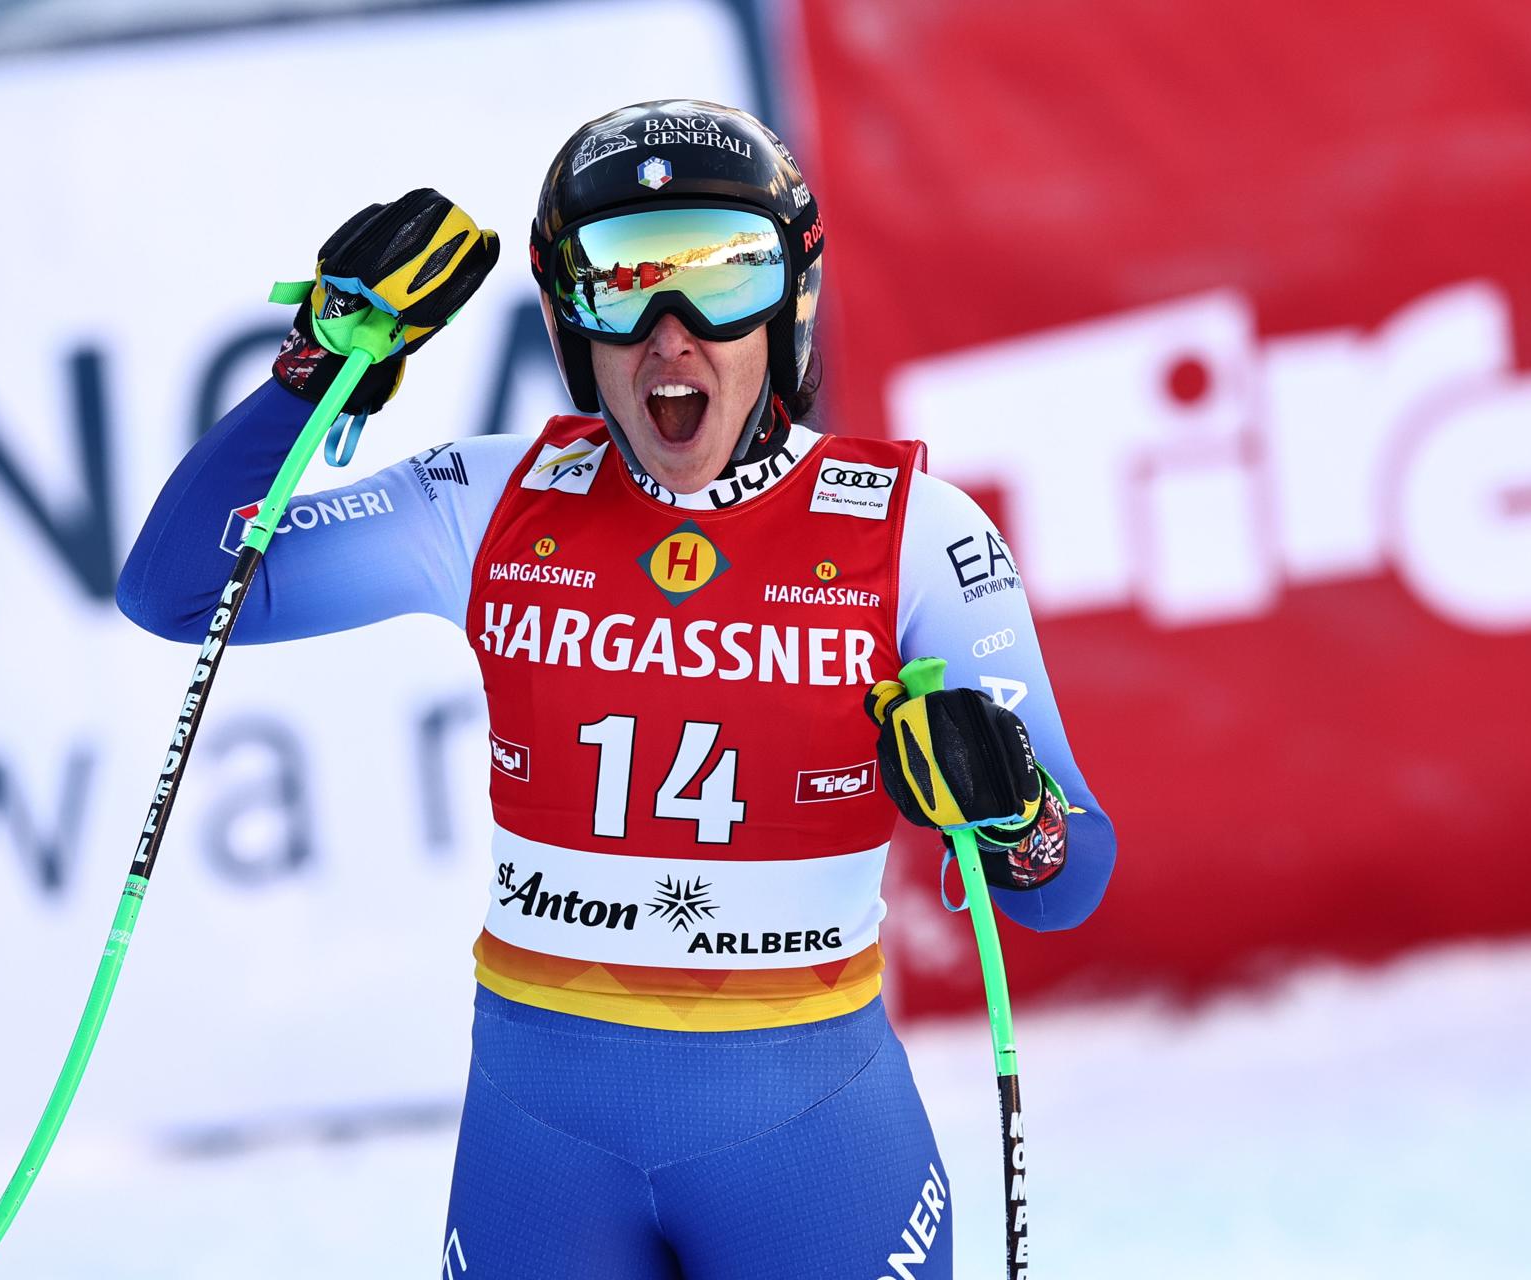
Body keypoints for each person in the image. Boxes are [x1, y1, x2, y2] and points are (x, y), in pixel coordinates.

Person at [118, 99, 1115, 1279]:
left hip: (814, 1150)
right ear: (566, 320)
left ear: (790, 301)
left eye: (725, 275)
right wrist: (316, 366)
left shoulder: (914, 534)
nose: (672, 335)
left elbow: (1068, 879)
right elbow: (175, 588)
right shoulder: (485, 502)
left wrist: (1015, 813)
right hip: (544, 1156)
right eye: (624, 283)